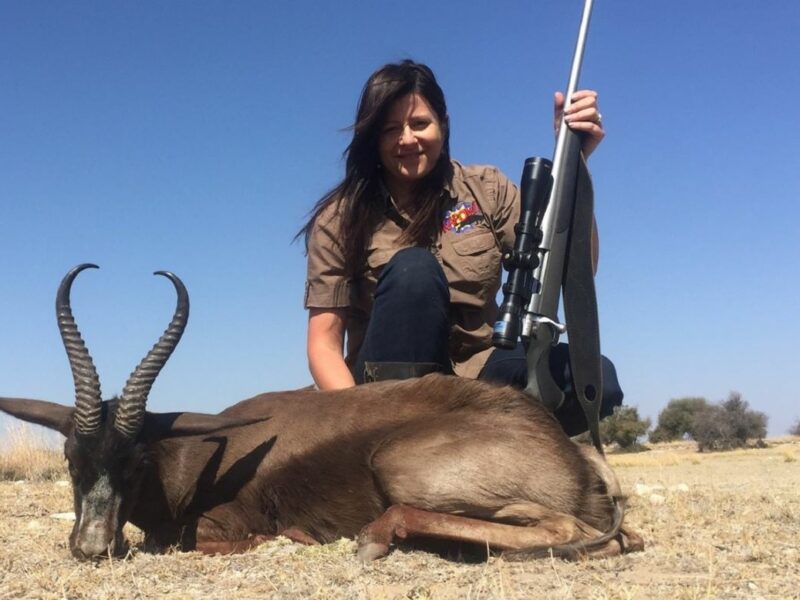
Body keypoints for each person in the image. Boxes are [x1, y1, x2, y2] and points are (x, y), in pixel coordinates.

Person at [300, 60, 621, 435]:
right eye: (390, 129)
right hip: (384, 395)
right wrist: (356, 427)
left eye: (419, 124)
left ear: (443, 125)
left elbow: (577, 270)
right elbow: (323, 344)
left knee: (597, 381)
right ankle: (399, 458)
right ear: (373, 139)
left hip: (482, 369)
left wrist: (574, 163)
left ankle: (486, 462)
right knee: (413, 272)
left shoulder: (486, 188)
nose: (406, 139)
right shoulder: (339, 217)